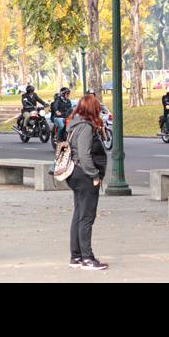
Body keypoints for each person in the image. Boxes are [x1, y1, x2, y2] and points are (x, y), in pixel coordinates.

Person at [65, 94, 109, 270]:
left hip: (74, 173)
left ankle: (76, 256)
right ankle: (87, 258)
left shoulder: (74, 124)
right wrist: (95, 175)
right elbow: (84, 154)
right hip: (84, 175)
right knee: (86, 217)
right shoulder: (85, 127)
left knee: (78, 214)